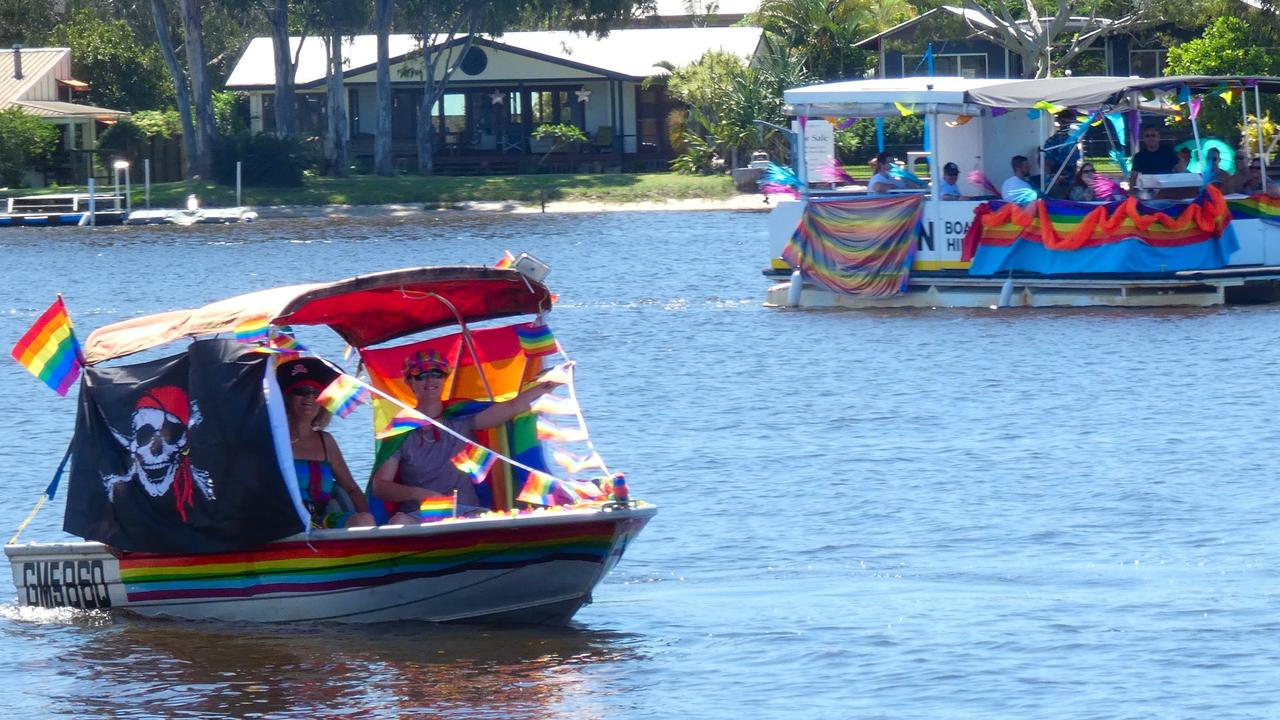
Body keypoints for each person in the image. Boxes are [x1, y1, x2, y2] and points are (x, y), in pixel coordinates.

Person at [371, 349, 565, 524]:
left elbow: (512, 407)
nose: (430, 380)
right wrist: (418, 494)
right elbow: (380, 486)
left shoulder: (460, 418)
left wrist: (550, 383)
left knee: (501, 521)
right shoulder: (400, 431)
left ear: (444, 378)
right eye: (421, 375)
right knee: (398, 523)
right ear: (409, 382)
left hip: (466, 513)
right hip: (419, 515)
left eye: (436, 374)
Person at [278, 357, 376, 529]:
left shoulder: (326, 441)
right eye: (301, 391)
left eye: (315, 393)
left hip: (322, 519)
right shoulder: (274, 440)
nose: (309, 397)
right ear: (286, 399)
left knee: (363, 521)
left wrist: (372, 523)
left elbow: (351, 488)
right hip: (285, 520)